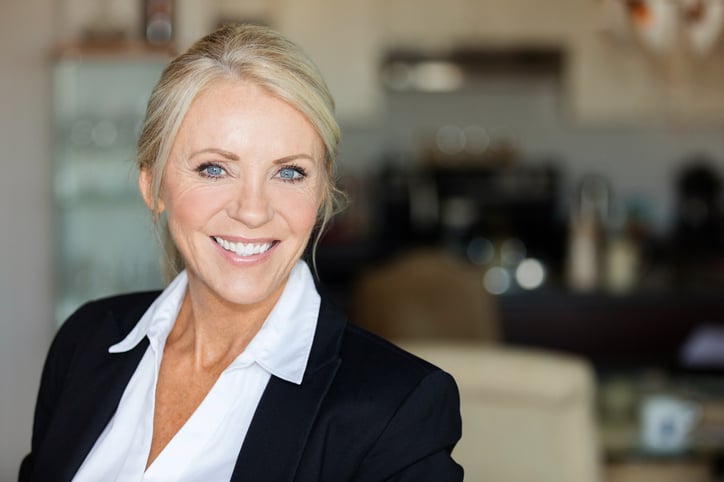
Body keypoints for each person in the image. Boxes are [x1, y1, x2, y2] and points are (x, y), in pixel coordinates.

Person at [19, 24, 463, 482]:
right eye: (214, 168)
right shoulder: (85, 342)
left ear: (323, 191)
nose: (252, 211)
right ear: (152, 186)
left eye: (289, 172)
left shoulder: (397, 409)